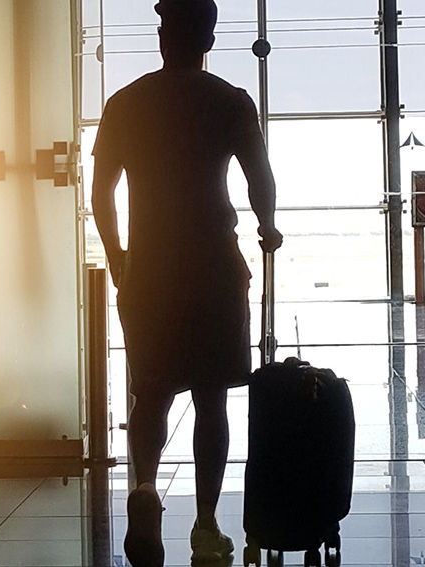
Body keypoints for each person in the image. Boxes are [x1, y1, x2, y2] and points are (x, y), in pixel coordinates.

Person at [91, 0, 282, 565]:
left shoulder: (125, 103)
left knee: (149, 390)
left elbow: (101, 193)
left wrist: (118, 254)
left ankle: (145, 489)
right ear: (210, 37)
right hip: (214, 267)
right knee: (211, 398)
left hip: (149, 267)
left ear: (163, 34)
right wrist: (268, 228)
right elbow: (260, 180)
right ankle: (204, 524)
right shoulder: (230, 102)